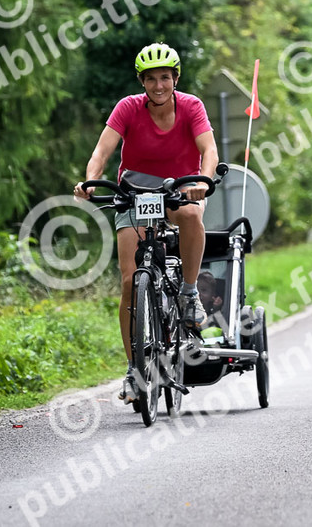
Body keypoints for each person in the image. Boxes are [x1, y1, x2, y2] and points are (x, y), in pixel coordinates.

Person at [75, 42, 219, 403]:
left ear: (175, 79)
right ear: (142, 81)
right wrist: (90, 181)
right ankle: (134, 370)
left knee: (191, 214)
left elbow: (209, 150)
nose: (158, 85)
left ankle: (189, 293)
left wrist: (203, 181)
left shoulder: (191, 106)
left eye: (165, 78)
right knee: (129, 282)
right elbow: (101, 152)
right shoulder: (127, 108)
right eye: (151, 79)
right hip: (135, 192)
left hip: (180, 189)